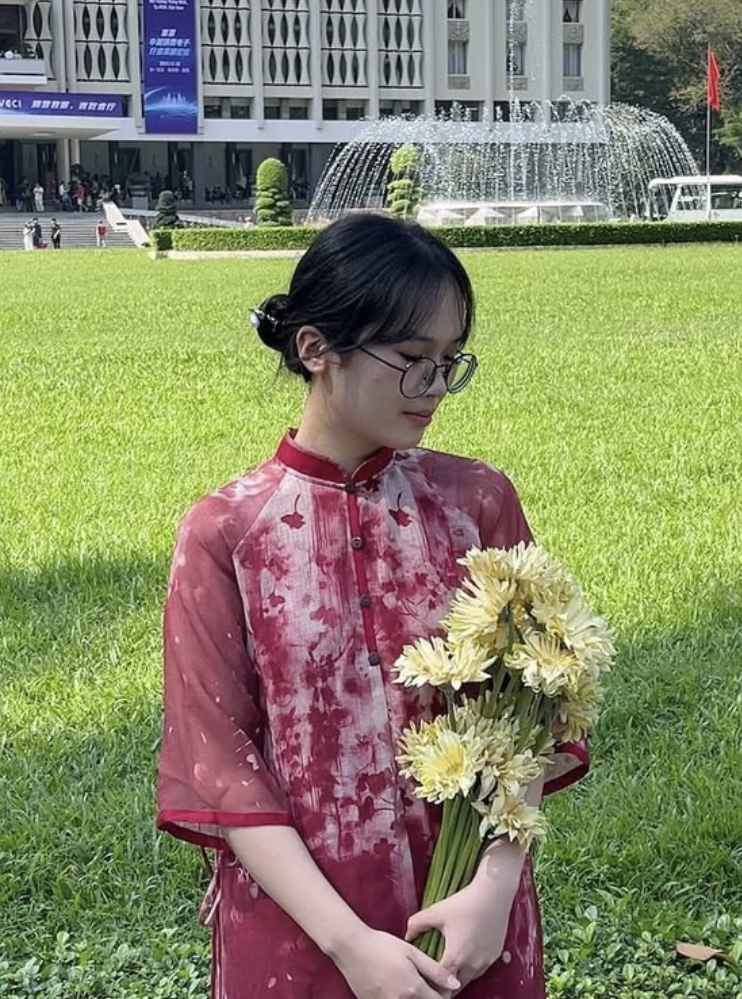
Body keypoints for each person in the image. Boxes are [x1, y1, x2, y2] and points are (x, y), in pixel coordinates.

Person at [156, 213, 589, 999]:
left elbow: (537, 708)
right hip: (300, 934)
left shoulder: (477, 503)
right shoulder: (226, 533)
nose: (436, 387)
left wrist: (494, 888)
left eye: (450, 362)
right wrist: (350, 943)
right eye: (414, 359)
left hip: (469, 923)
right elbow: (221, 764)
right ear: (315, 347)